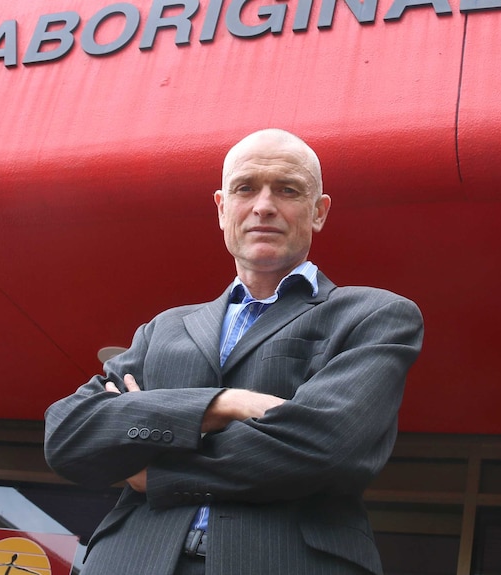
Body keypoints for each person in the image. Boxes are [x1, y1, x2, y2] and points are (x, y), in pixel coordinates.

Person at [44, 128, 424, 575]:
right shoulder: (165, 328)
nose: (264, 206)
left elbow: (323, 447)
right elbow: (68, 434)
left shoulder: (374, 315)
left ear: (319, 212)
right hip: (130, 560)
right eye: (246, 188)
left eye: (287, 189)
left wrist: (155, 465)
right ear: (223, 209)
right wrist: (224, 404)